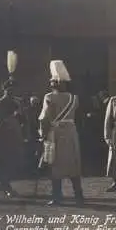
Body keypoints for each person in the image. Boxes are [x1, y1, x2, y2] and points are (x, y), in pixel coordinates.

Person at [38, 60, 84, 206]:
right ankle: (79, 196)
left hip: (55, 133)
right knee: (73, 165)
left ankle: (57, 197)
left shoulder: (49, 97)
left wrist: (42, 134)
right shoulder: (74, 98)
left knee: (55, 164)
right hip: (71, 133)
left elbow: (44, 118)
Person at [0, 77, 24, 197]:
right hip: (2, 136)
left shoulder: (17, 103)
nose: (12, 92)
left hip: (14, 135)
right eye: (9, 90)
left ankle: (4, 183)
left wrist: (18, 118)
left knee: (12, 160)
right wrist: (1, 125)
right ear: (5, 90)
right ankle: (6, 186)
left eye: (13, 90)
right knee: (3, 161)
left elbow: (23, 119)